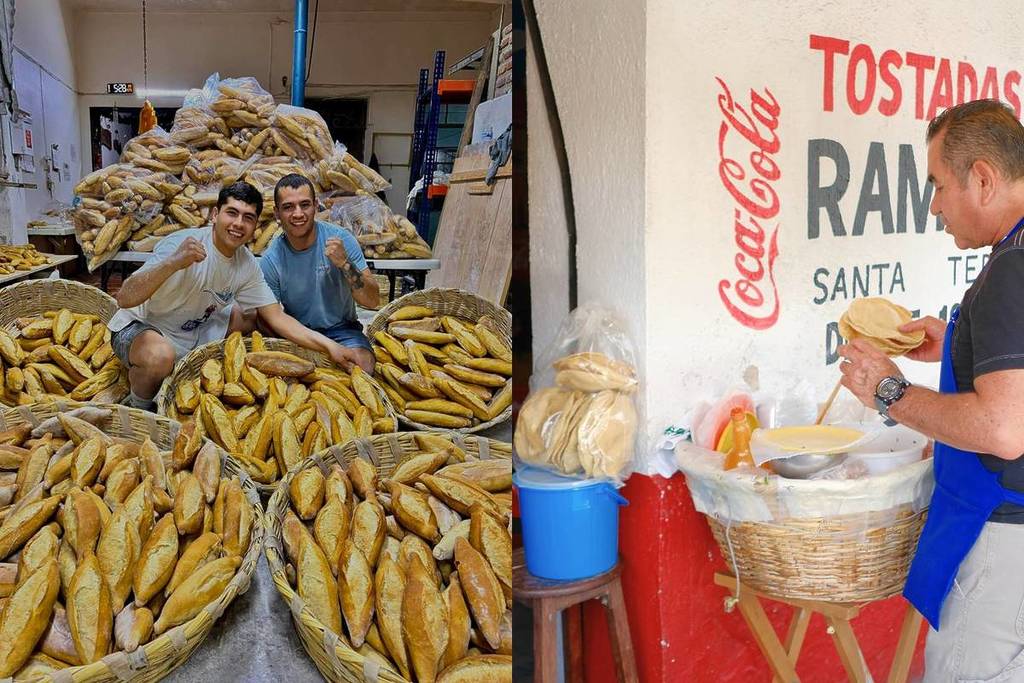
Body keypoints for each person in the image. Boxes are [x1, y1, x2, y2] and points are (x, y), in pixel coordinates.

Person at [838, 99, 1024, 682]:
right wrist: (962, 348)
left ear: (984, 179)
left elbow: (1003, 429)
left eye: (940, 185)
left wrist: (889, 391)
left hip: (1006, 545)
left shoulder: (1010, 271)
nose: (936, 205)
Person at [109, 181, 361, 411]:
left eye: (248, 218)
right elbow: (125, 298)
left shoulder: (246, 264)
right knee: (160, 357)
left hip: (193, 327)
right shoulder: (182, 244)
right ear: (215, 215)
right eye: (232, 213)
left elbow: (277, 317)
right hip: (143, 327)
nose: (239, 224)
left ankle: (185, 361)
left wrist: (331, 347)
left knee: (253, 317)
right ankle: (138, 405)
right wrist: (173, 263)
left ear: (255, 226)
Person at [259, 173, 380, 373]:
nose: (298, 214)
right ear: (277, 213)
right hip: (300, 332)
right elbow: (272, 319)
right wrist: (323, 346)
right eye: (288, 207)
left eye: (305, 205)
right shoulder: (271, 260)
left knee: (362, 366)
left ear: (316, 206)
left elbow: (372, 301)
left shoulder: (341, 240)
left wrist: (345, 264)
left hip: (343, 330)